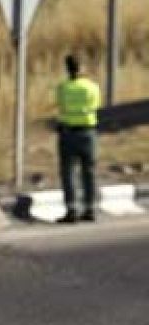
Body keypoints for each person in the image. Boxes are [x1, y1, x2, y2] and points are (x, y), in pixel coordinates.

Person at [55, 54, 101, 223]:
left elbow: (61, 106)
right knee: (89, 172)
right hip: (88, 133)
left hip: (68, 133)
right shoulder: (92, 87)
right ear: (82, 68)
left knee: (68, 172)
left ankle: (72, 209)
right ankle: (90, 208)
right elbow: (96, 105)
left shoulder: (63, 88)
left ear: (67, 69)